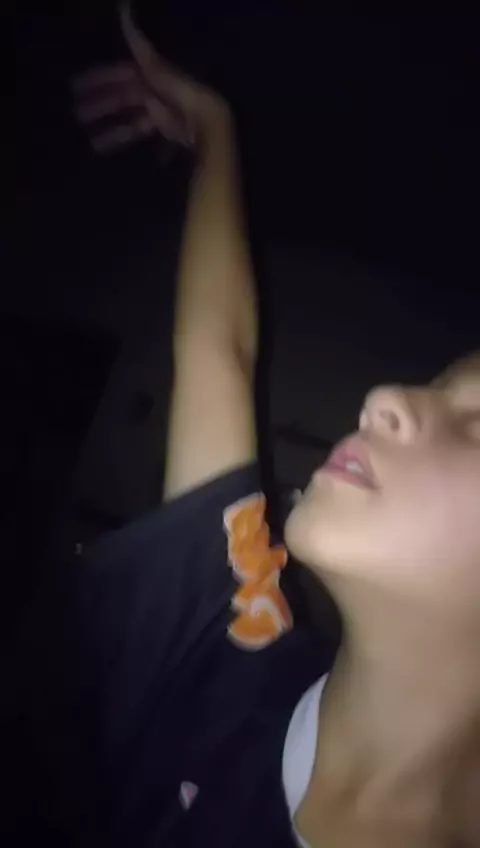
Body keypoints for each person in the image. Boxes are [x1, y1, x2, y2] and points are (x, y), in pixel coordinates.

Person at [24, 4, 479, 847]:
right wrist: (215, 131)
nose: (387, 395)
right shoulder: (225, 648)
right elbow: (217, 350)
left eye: (478, 427)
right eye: (436, 385)